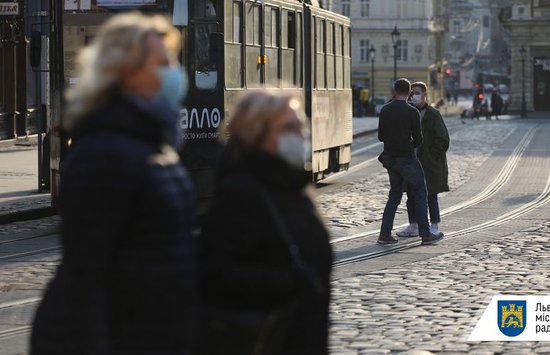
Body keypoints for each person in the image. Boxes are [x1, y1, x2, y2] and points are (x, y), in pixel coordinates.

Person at [30, 13, 197, 354]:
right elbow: (87, 276)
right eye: (163, 63)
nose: (174, 72)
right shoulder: (106, 152)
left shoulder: (152, 141)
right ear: (126, 71)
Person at [198, 91, 332, 354]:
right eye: (289, 127)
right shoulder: (240, 192)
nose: (301, 133)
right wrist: (287, 283)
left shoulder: (293, 186)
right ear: (256, 133)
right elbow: (214, 275)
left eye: (300, 125)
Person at [377, 78, 444, 246]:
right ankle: (425, 234)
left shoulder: (385, 110)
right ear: (408, 93)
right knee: (421, 192)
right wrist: (409, 145)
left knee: (394, 196)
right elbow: (419, 139)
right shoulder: (411, 112)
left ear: (394, 91)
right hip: (407, 158)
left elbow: (380, 136)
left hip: (390, 159)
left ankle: (384, 234)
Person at [397, 82, 450, 238]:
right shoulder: (408, 112)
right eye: (412, 93)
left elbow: (443, 139)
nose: (414, 95)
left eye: (417, 92)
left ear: (425, 94)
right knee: (411, 195)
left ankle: (434, 225)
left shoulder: (433, 114)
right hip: (411, 161)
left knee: (431, 195)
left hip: (429, 163)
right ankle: (413, 225)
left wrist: (432, 157)